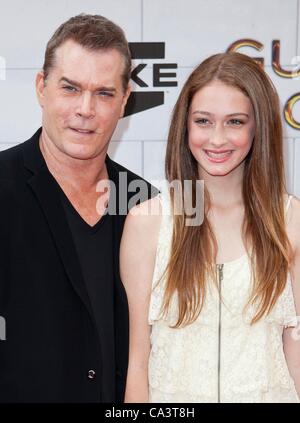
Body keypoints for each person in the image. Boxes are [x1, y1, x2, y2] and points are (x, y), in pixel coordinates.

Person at [120, 52, 300, 403]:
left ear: (258, 128)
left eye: (235, 122)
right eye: (203, 121)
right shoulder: (148, 222)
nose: (217, 139)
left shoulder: (291, 220)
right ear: (185, 126)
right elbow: (138, 362)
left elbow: (295, 350)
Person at [0, 13, 155, 402]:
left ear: (124, 101)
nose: (86, 109)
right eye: (70, 88)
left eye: (103, 93)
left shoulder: (145, 202)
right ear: (41, 86)